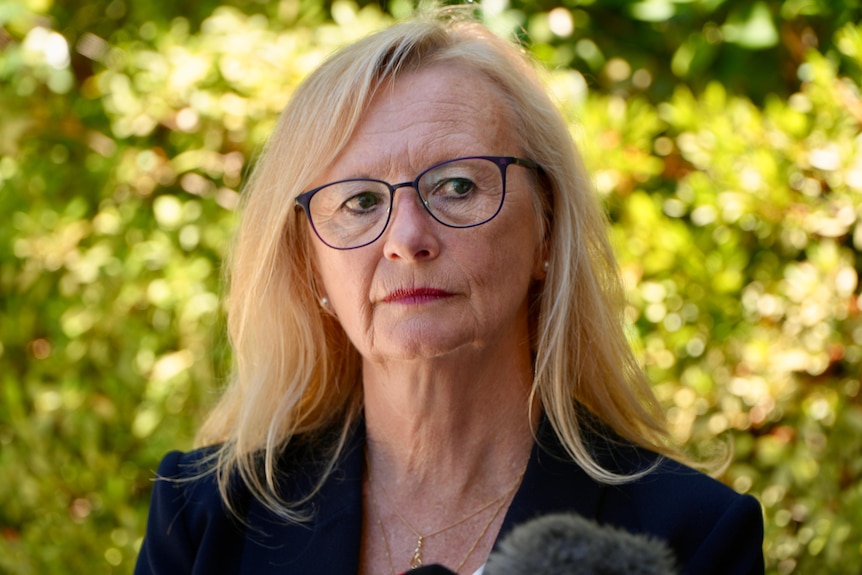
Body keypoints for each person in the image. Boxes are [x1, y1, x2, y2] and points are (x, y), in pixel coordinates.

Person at [135, 9, 764, 575]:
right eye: (359, 201)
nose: (407, 239)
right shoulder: (202, 523)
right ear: (311, 267)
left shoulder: (691, 538)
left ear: (546, 228)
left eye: (457, 186)